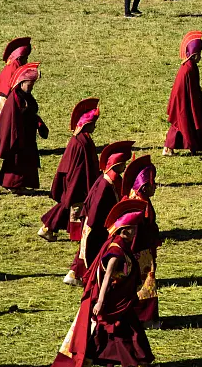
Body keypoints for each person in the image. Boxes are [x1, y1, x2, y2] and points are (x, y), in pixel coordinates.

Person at [47, 199, 159, 367]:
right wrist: (100, 302)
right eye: (133, 228)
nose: (136, 232)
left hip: (120, 298)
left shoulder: (121, 244)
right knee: (133, 332)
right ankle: (143, 366)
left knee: (104, 334)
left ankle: (88, 363)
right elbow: (106, 277)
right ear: (124, 230)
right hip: (111, 300)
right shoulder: (116, 251)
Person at [66, 140, 133, 287]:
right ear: (116, 165)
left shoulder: (113, 179)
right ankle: (84, 276)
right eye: (123, 164)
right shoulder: (105, 183)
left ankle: (76, 273)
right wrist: (94, 226)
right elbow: (96, 205)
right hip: (97, 224)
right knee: (91, 249)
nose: (124, 167)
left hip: (104, 223)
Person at [39, 98, 101, 242]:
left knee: (70, 207)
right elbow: (78, 166)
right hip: (77, 182)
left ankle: (51, 230)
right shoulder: (80, 142)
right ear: (86, 124)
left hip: (77, 182)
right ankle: (46, 228)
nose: (95, 128)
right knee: (67, 207)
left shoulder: (82, 139)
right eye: (93, 124)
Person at [0, 62, 47, 193]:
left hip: (28, 136)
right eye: (30, 84)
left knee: (27, 161)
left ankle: (20, 185)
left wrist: (38, 122)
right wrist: (17, 135)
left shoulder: (25, 95)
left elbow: (30, 113)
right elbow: (11, 119)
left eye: (33, 84)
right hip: (18, 136)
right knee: (17, 161)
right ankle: (14, 185)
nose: (31, 87)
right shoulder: (15, 98)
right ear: (22, 83)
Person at [163, 31, 202, 157]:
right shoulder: (188, 69)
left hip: (185, 101)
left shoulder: (190, 66)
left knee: (180, 125)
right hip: (184, 102)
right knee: (189, 123)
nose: (201, 57)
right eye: (199, 54)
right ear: (193, 55)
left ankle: (168, 149)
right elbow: (188, 90)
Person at [121, 155, 160, 328]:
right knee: (146, 284)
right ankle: (146, 319)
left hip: (142, 250)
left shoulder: (139, 198)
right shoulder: (138, 206)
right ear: (145, 186)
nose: (156, 186)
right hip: (140, 251)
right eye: (153, 183)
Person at [0, 37, 31, 121]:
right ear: (20, 58)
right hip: (5, 100)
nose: (26, 61)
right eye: (26, 58)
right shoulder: (14, 66)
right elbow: (8, 89)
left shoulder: (15, 64)